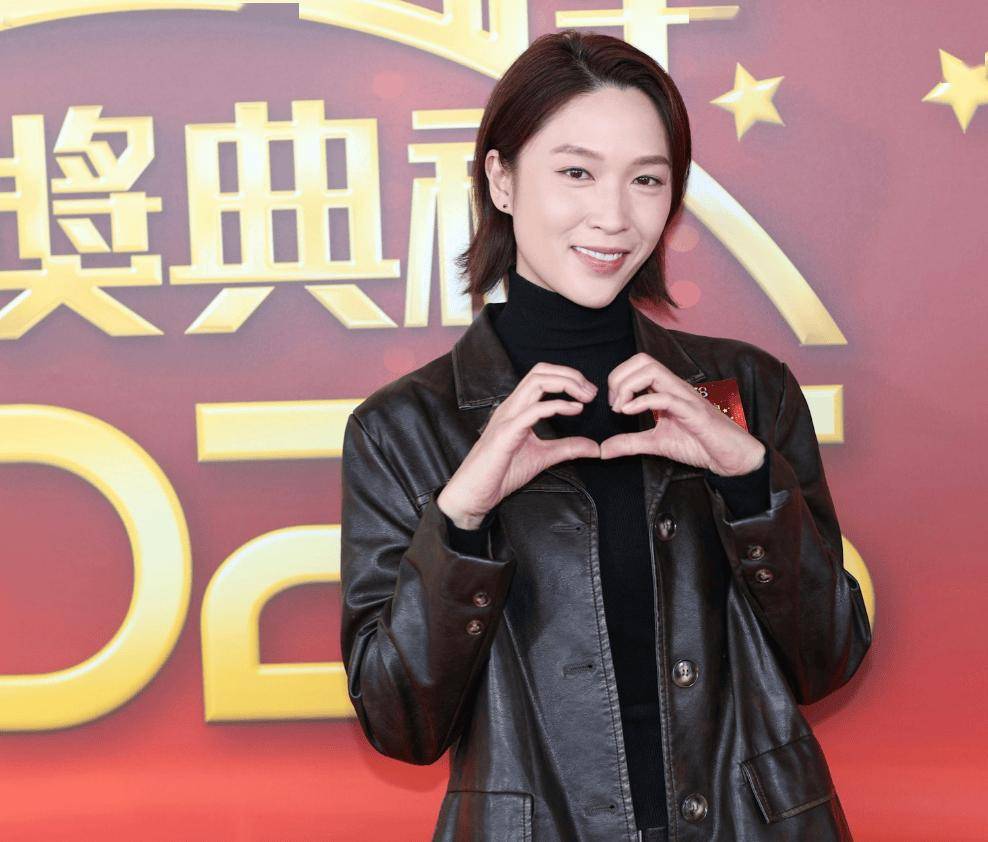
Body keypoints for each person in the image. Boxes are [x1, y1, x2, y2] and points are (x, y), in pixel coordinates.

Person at [339, 30, 872, 842]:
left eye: (646, 179)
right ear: (502, 179)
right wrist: (461, 518)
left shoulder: (746, 390)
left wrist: (748, 482)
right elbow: (398, 723)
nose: (615, 216)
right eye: (577, 173)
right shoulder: (403, 430)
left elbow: (827, 659)